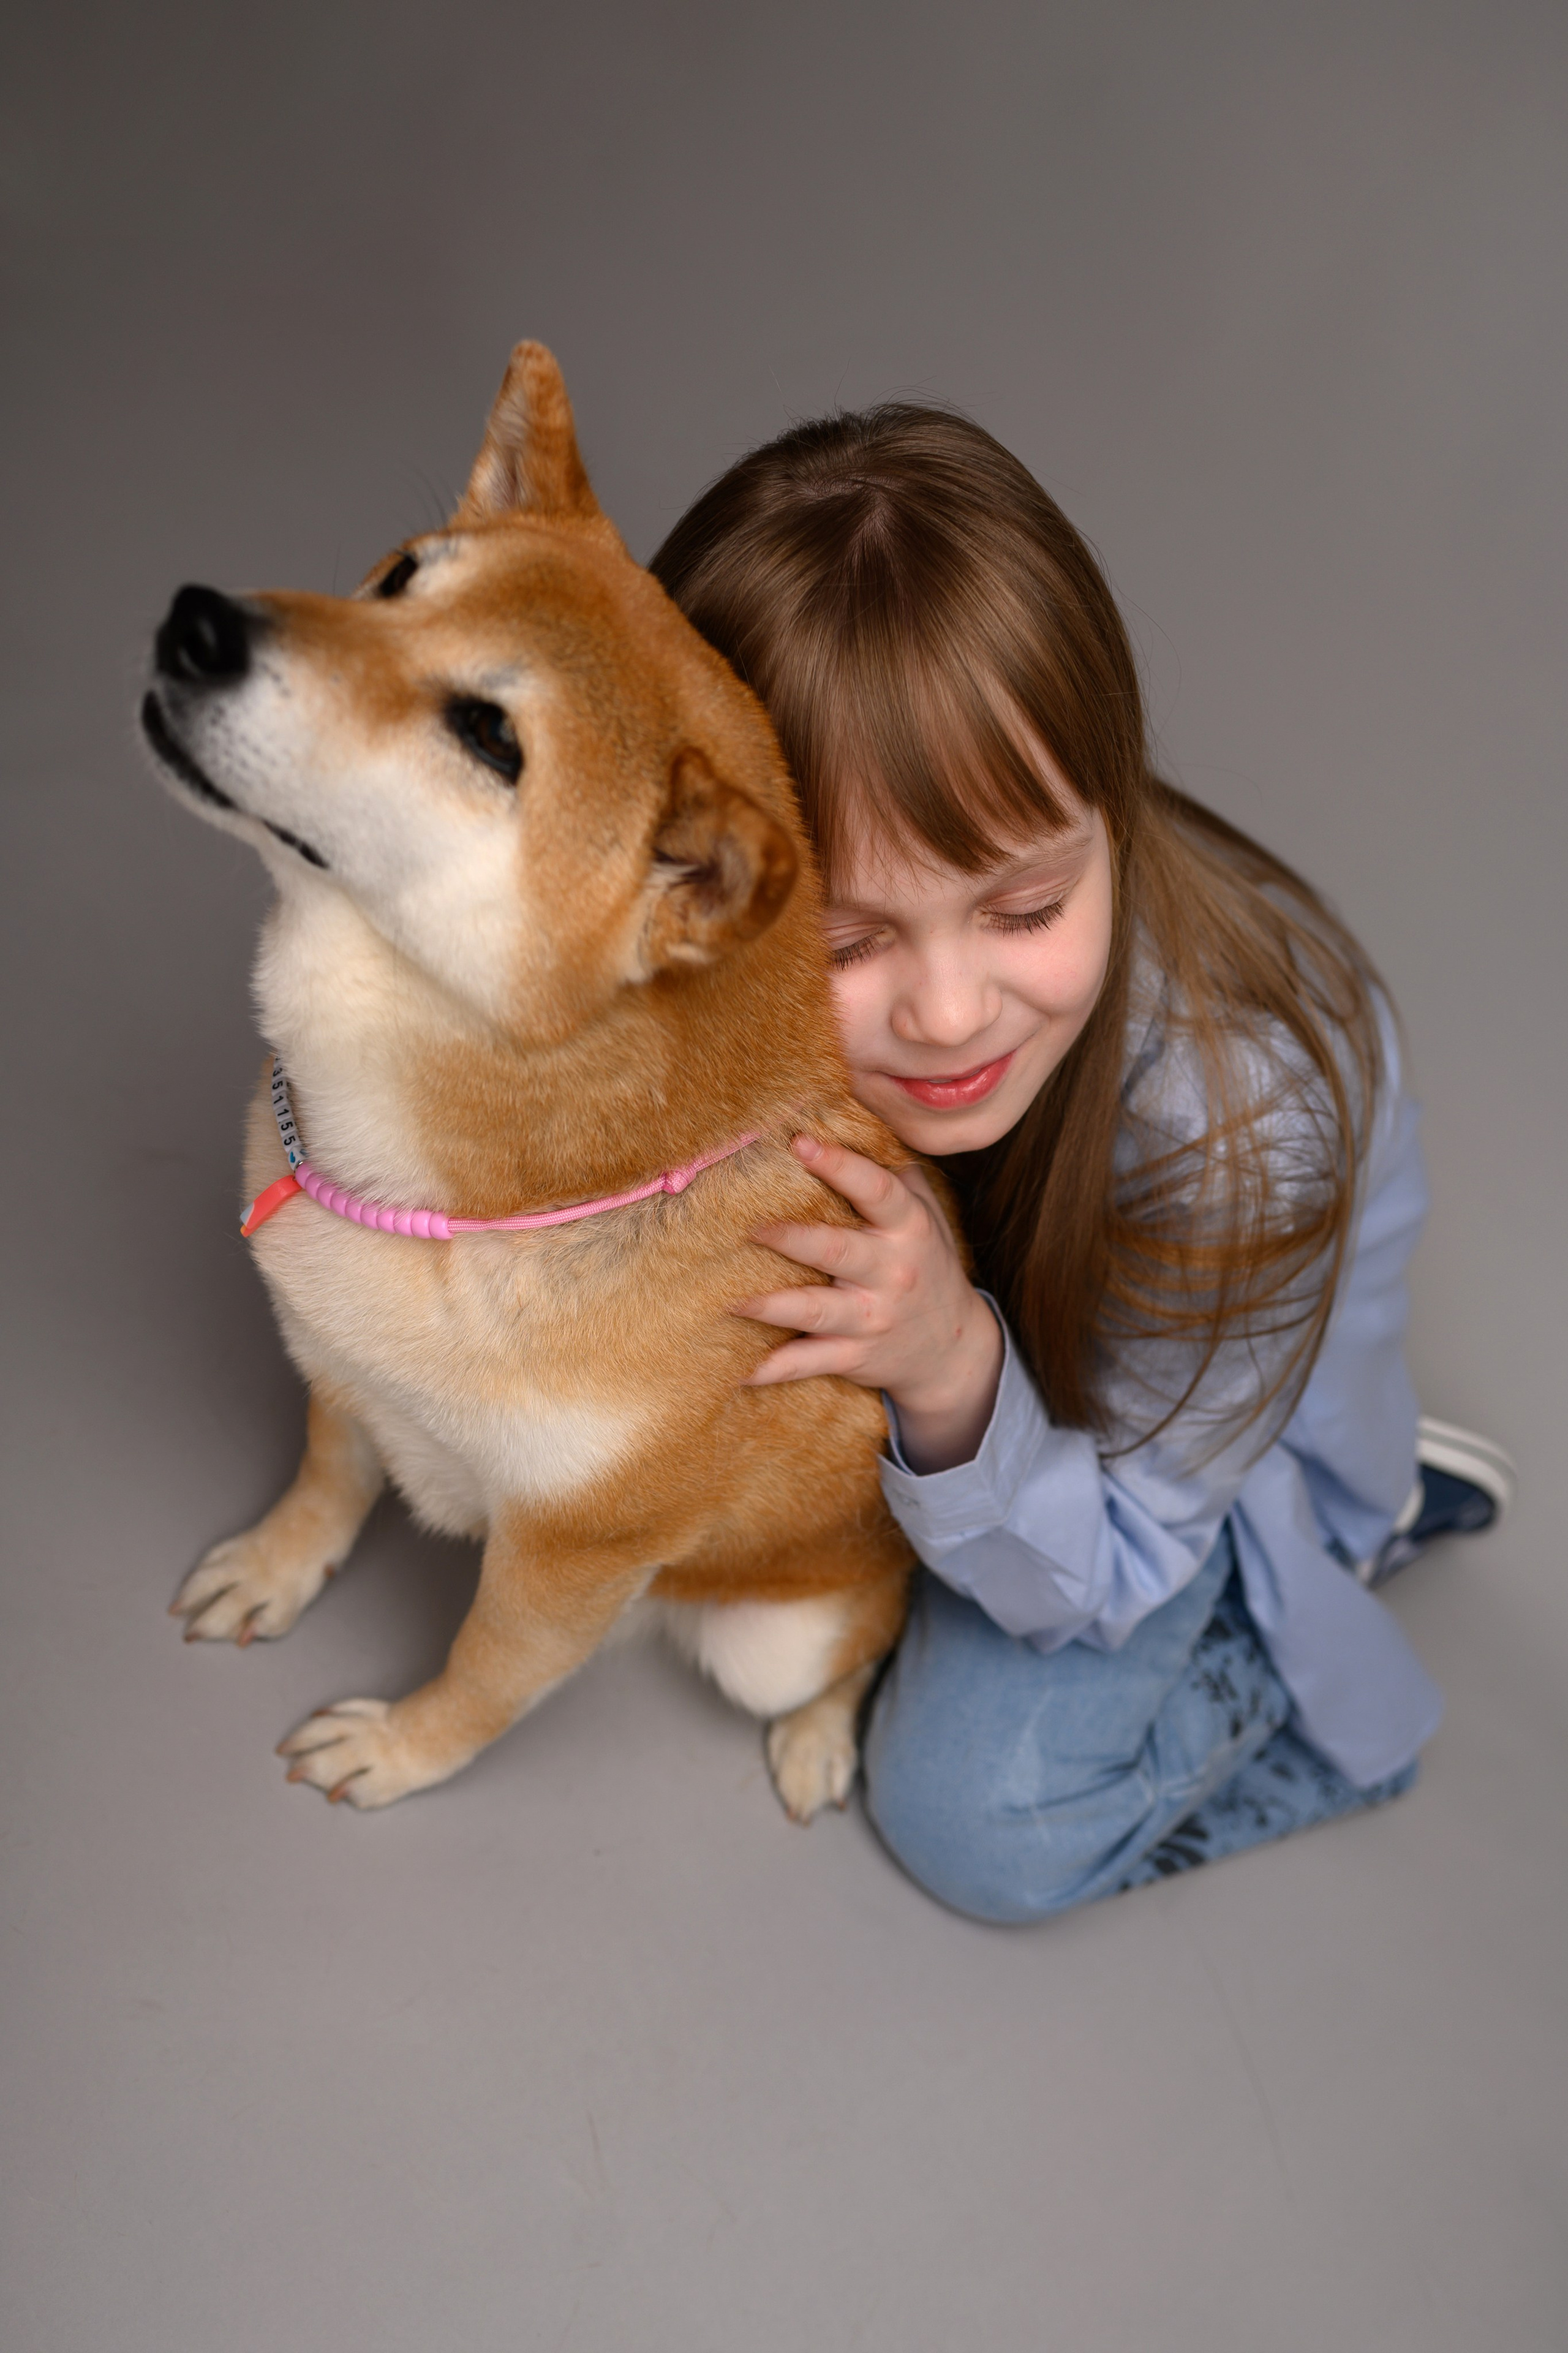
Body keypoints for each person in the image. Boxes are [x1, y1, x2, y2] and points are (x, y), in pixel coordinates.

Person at [650, 404, 1514, 1924]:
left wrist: (945, 1366)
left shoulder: (1239, 1129)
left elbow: (1105, 1571)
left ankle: (1336, 1571)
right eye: (845, 941)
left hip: (1152, 1471)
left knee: (973, 1820)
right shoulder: (738, 955)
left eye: (1023, 908)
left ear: (1108, 808)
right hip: (1044, 1348)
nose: (946, 1013)